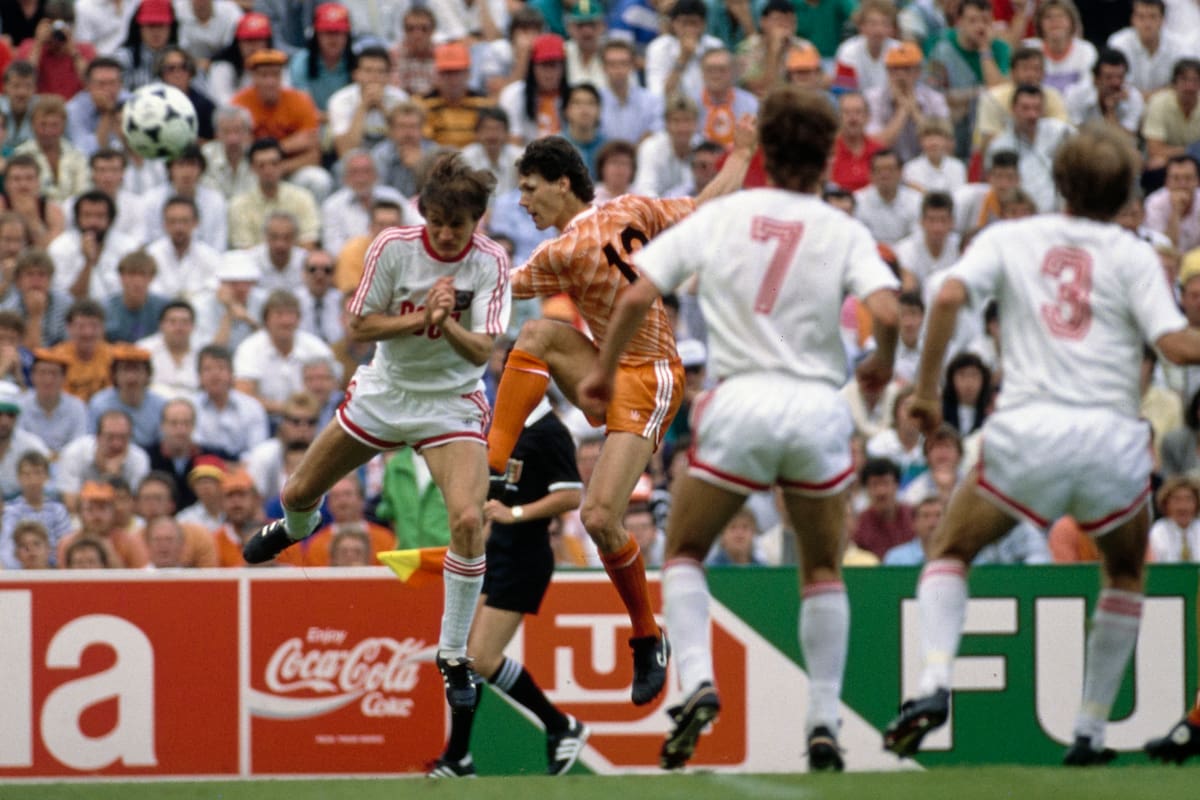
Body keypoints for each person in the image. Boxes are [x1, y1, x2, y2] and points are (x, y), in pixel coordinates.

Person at [577, 84, 900, 770]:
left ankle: (697, 680)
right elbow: (892, 312)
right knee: (821, 568)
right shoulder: (841, 228)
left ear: (765, 153)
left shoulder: (722, 217)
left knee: (686, 550)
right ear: (825, 157)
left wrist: (604, 374)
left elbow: (637, 295)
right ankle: (823, 722)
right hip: (816, 408)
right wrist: (881, 366)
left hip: (740, 404)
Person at [881, 124, 1200, 766]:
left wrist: (925, 390)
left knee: (952, 549)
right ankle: (1088, 731)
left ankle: (934, 683)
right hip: (1111, 441)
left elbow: (948, 295)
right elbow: (1173, 345)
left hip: (1027, 434)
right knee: (1125, 572)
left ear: (1058, 183)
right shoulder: (1134, 254)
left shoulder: (1010, 236)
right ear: (1126, 195)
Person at [488, 126, 754, 707]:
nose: (523, 201)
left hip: (651, 376)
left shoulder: (562, 252)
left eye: (530, 189)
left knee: (600, 515)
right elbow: (707, 204)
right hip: (611, 373)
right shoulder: (632, 208)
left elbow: (495, 288)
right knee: (536, 336)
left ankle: (646, 637)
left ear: (562, 184)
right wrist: (740, 154)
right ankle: (494, 467)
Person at [238, 153, 510, 714]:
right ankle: (296, 527)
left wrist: (445, 322)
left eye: (458, 225)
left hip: (451, 403)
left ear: (476, 221)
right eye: (438, 222)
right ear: (424, 214)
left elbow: (482, 350)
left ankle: (453, 655)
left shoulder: (490, 261)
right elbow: (359, 326)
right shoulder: (393, 247)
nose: (447, 234)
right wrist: (423, 317)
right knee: (297, 491)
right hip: (386, 392)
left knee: (467, 520)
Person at [428, 398, 586, 778]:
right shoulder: (507, 427)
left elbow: (571, 494)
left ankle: (561, 725)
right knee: (465, 658)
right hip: (497, 550)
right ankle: (458, 757)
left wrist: (515, 514)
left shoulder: (550, 431)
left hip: (525, 556)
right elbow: (496, 498)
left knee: (481, 658)